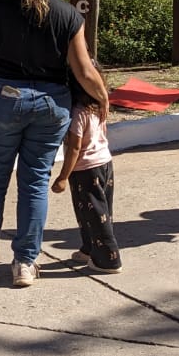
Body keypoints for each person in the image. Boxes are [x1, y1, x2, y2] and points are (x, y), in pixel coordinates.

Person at [0, 0, 110, 286]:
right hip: (50, 105)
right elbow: (83, 70)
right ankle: (25, 264)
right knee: (35, 183)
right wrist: (103, 97)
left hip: (3, 99)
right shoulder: (68, 15)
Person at [52, 73, 121, 274]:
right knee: (96, 211)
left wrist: (63, 177)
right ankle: (90, 248)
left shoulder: (77, 113)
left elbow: (75, 148)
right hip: (105, 163)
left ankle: (109, 259)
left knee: (95, 215)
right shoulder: (99, 106)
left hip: (85, 170)